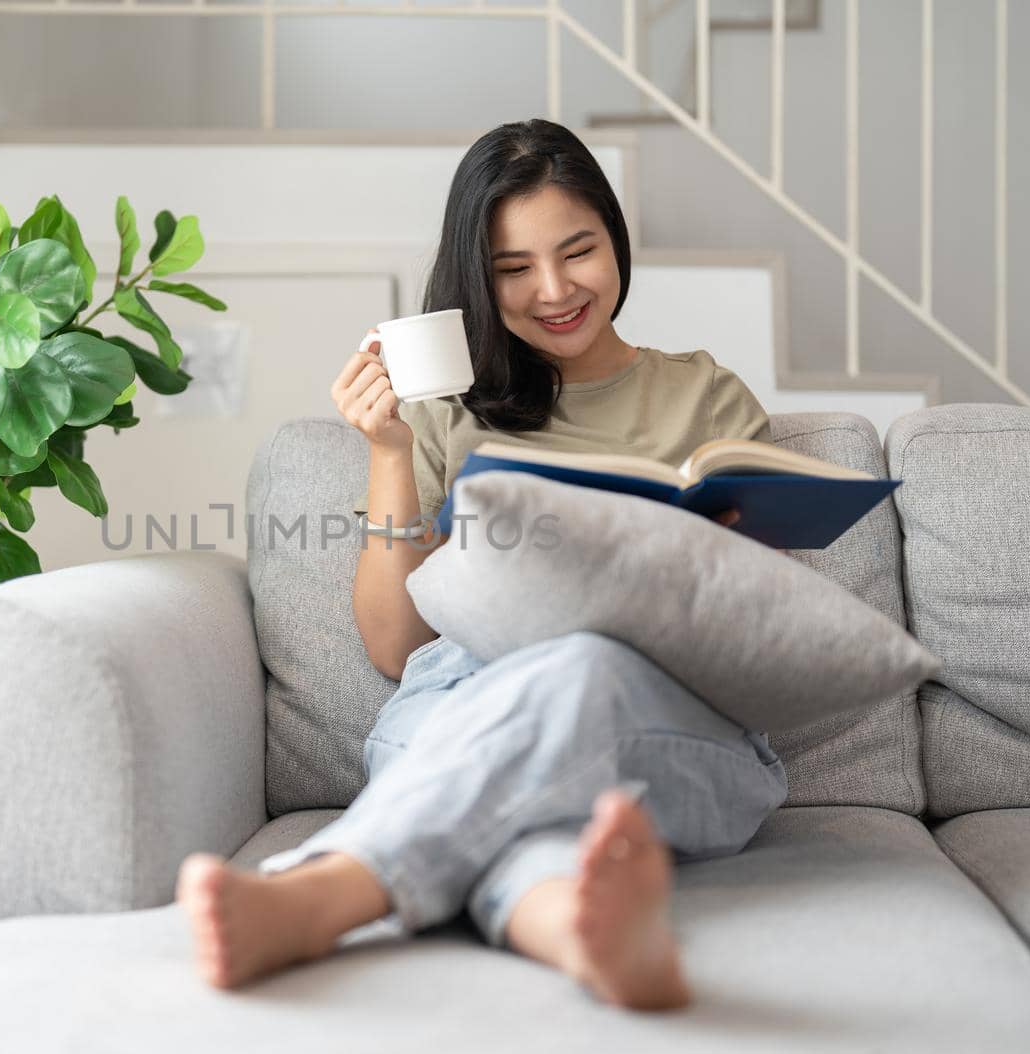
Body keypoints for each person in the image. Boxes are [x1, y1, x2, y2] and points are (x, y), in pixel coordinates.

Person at [175, 118, 788, 1010]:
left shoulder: (707, 398)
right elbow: (396, 648)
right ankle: (582, 935)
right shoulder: (442, 411)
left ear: (615, 239)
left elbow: (748, 637)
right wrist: (389, 452)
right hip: (459, 702)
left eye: (578, 251)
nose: (554, 290)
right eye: (512, 270)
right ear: (477, 275)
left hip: (667, 727)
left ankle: (323, 894)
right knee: (506, 795)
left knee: (580, 665)